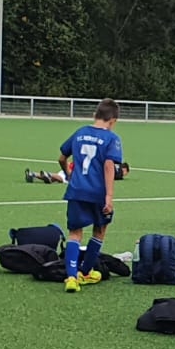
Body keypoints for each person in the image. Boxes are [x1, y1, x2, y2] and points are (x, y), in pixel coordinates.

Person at [56, 98, 123, 292]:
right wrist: (109, 197)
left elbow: (61, 157)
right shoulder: (112, 138)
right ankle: (85, 272)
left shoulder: (80, 132)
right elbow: (109, 166)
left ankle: (71, 277)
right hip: (97, 193)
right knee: (99, 230)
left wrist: (68, 175)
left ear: (95, 115)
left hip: (76, 190)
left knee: (75, 233)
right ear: (113, 121)